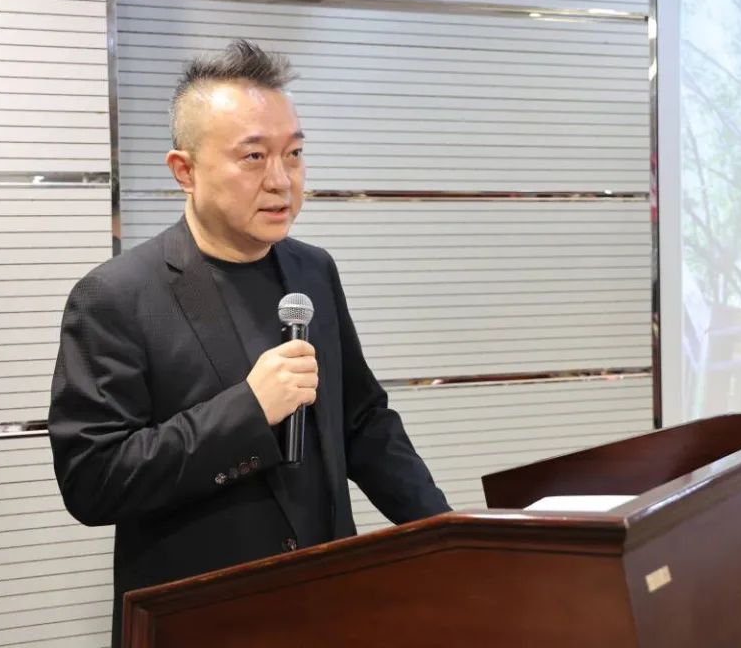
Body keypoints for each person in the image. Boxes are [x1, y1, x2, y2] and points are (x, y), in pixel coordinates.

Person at [48, 40, 451, 646]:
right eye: (254, 156)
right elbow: (93, 480)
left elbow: (362, 420)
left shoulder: (313, 270)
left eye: (294, 154)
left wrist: (443, 533)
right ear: (184, 171)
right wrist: (248, 410)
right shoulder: (115, 296)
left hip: (328, 603)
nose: (281, 180)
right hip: (203, 620)